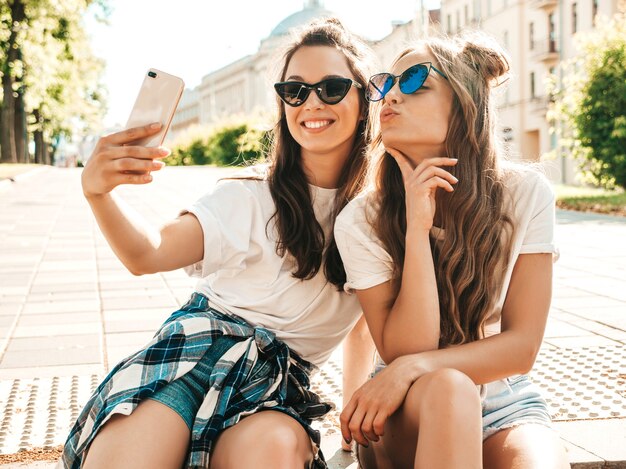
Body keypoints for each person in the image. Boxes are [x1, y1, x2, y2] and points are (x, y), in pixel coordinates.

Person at [59, 18, 376, 469]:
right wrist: (98, 193)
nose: (311, 102)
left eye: (331, 86)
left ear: (364, 99)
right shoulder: (248, 196)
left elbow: (364, 318)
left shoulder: (379, 216)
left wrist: (353, 426)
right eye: (295, 90)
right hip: (193, 355)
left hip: (276, 384)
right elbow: (148, 253)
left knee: (273, 452)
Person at [334, 32, 571, 468]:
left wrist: (409, 367)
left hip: (504, 403)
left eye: (414, 83)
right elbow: (404, 350)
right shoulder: (361, 220)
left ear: (465, 105)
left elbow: (521, 348)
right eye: (385, 84)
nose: (390, 97)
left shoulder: (525, 194)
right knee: (449, 388)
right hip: (407, 407)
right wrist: (417, 230)